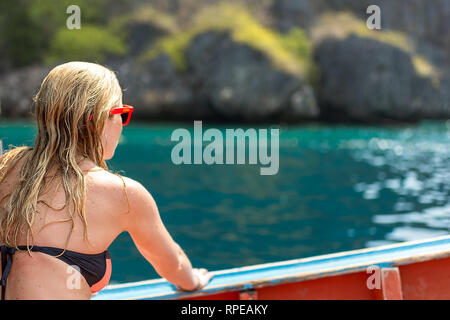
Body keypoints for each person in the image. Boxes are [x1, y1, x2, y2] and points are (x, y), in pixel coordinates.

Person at [0, 61, 212, 300]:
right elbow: (172, 264)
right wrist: (193, 281)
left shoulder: (6, 167)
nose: (122, 123)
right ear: (97, 119)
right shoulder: (122, 194)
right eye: (121, 113)